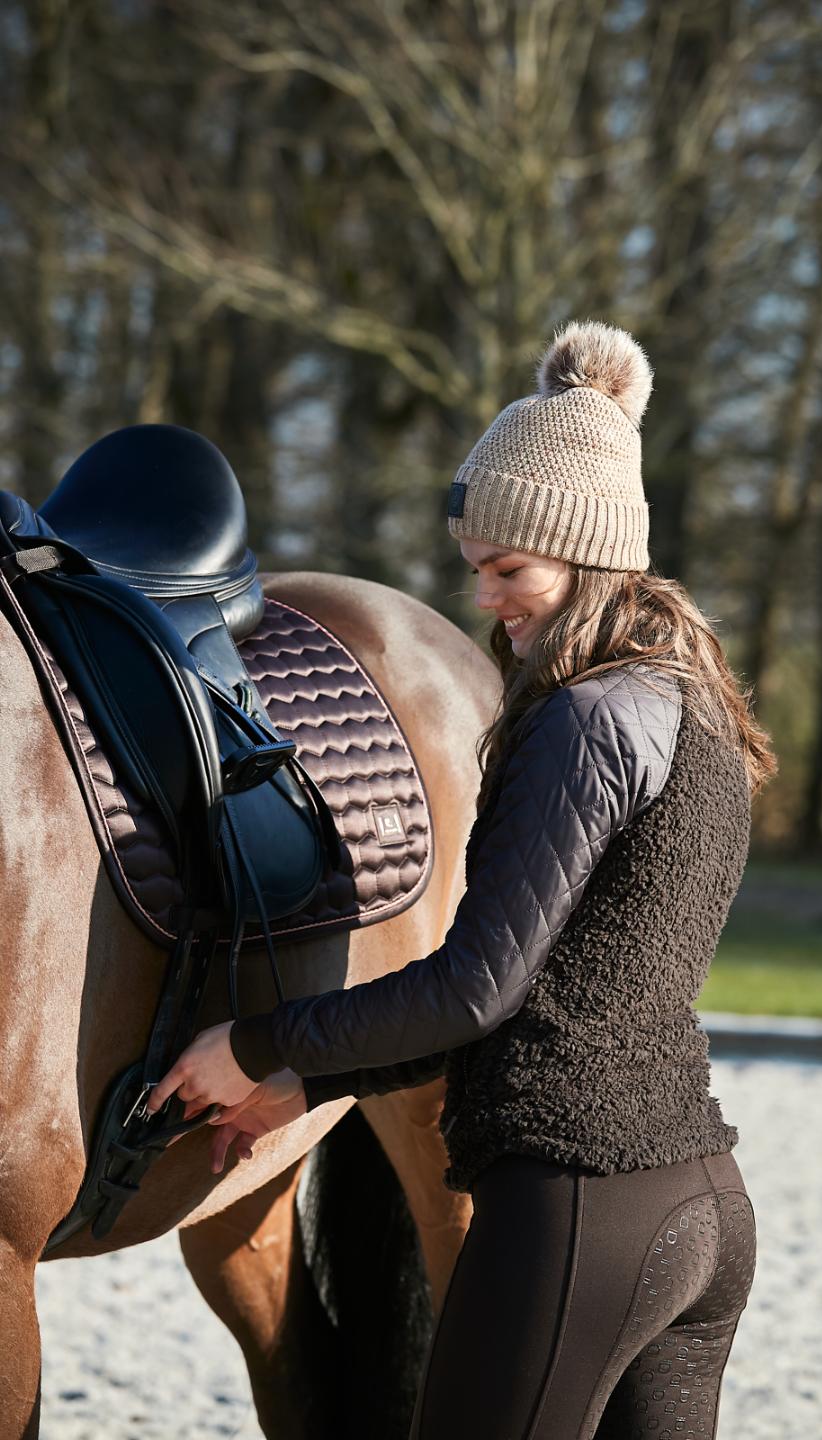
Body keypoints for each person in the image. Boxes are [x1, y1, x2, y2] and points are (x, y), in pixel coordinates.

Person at [149, 318, 777, 1440]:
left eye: (509, 569)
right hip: (701, 1210)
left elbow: (475, 990)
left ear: (583, 546)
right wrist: (307, 1090)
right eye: (479, 571)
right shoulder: (694, 706)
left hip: (577, 1208)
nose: (491, 597)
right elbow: (552, 996)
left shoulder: (581, 720)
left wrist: (257, 1044)